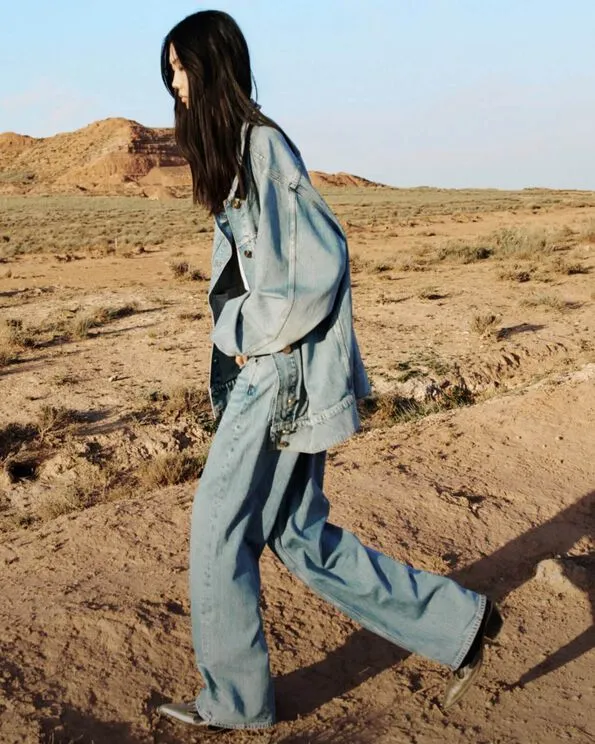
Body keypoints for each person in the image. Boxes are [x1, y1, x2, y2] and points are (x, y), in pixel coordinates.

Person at [157, 10, 503, 735]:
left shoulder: (262, 146)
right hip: (278, 370)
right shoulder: (241, 151)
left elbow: (319, 262)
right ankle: (457, 624)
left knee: (216, 530)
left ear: (215, 64)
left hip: (278, 375)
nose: (175, 84)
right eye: (169, 72)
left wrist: (250, 334)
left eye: (182, 68)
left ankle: (235, 703)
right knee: (295, 534)